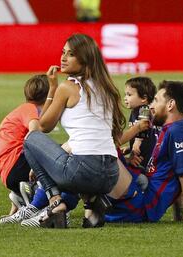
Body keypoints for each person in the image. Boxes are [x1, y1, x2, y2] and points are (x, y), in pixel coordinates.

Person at [23, 33, 126, 228]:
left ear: (85, 59)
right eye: (63, 52)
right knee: (79, 159)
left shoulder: (68, 87)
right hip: (111, 174)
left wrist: (52, 89)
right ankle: (92, 205)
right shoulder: (107, 88)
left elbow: (44, 126)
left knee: (31, 138)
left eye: (70, 54)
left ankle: (56, 203)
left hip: (83, 171)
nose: (63, 58)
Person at [105, 80, 183, 225]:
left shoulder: (178, 132)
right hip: (140, 194)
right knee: (98, 149)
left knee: (100, 149)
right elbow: (177, 172)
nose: (151, 106)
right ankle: (93, 203)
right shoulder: (170, 128)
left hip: (142, 204)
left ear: (170, 105)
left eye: (156, 100)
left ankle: (88, 202)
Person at [0, 75, 49, 220]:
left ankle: (19, 198)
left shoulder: (23, 109)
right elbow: (35, 132)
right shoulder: (30, 109)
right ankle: (43, 205)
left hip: (9, 172)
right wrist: (37, 163)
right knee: (62, 156)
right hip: (16, 166)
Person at [123, 77, 158, 175]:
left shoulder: (144, 109)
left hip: (145, 157)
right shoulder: (135, 110)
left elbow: (144, 122)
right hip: (141, 154)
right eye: (125, 94)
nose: (125, 98)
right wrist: (130, 147)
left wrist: (137, 141)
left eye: (129, 95)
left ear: (143, 98)